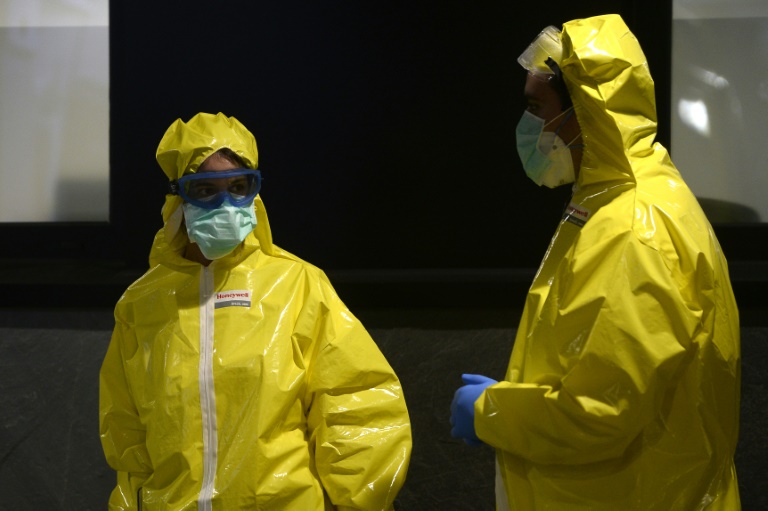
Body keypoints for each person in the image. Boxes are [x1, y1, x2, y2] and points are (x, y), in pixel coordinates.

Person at [450, 14, 740, 510]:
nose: (529, 125)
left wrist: (492, 411)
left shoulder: (634, 231)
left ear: (585, 110)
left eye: (536, 108)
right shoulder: (616, 200)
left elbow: (600, 411)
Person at [99, 112, 412, 510]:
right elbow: (126, 431)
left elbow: (357, 402)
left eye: (238, 186)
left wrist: (359, 503)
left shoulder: (297, 285)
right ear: (178, 197)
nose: (225, 204)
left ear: (255, 191)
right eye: (205, 189)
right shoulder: (142, 304)